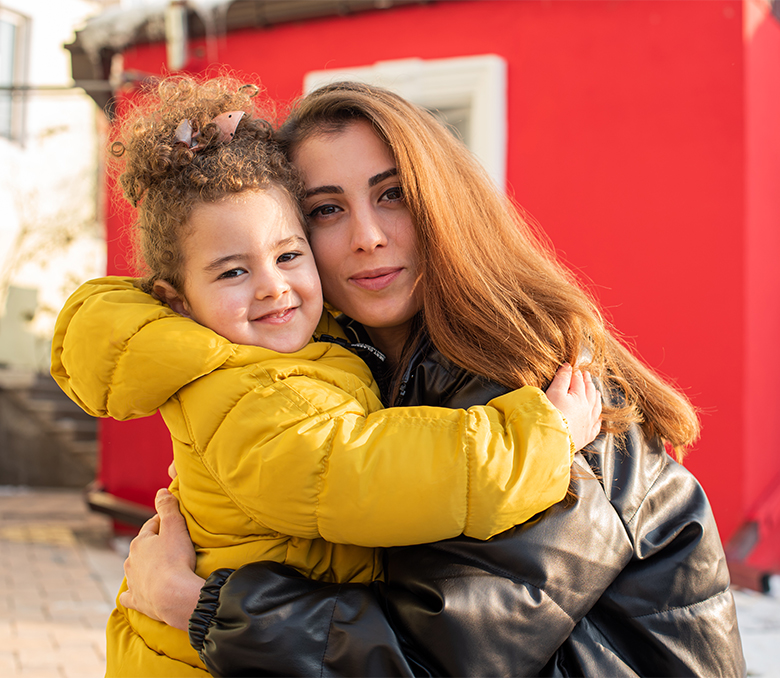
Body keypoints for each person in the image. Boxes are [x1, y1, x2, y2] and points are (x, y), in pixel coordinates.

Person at [112, 81, 746, 676]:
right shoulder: (332, 379)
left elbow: (440, 658)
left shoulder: (541, 390)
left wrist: (199, 605)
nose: (366, 237)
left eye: (393, 195)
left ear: (443, 203)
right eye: (327, 210)